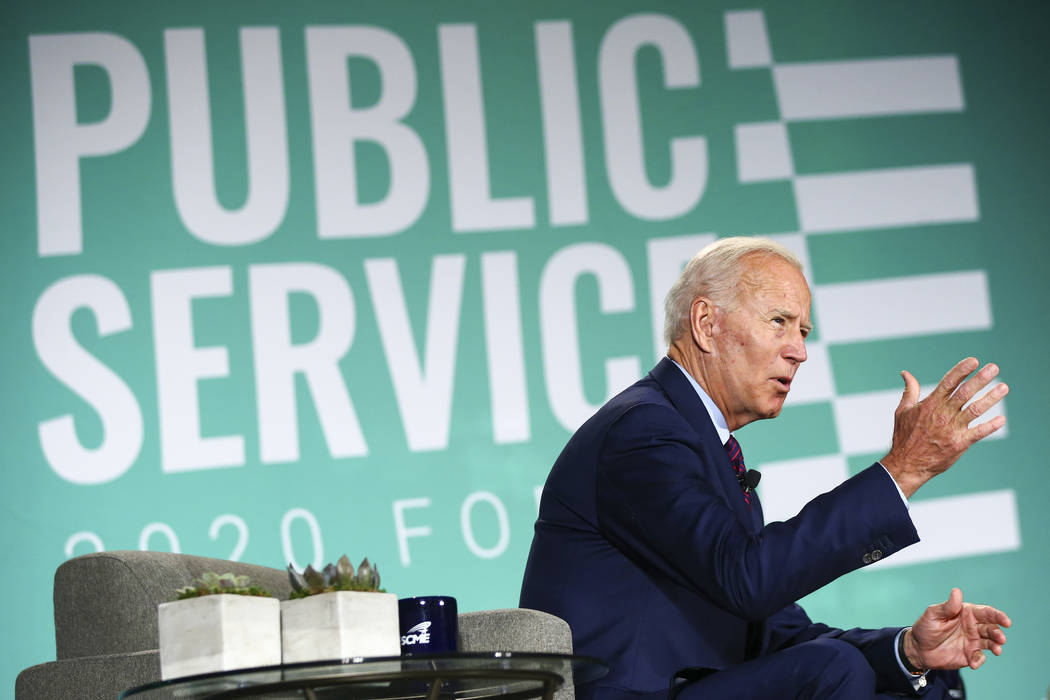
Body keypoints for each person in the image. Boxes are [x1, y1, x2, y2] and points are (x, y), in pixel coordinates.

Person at [519, 237, 1011, 700]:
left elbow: (777, 630)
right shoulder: (643, 432)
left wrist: (908, 651)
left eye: (802, 331)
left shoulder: (702, 444)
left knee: (925, 681)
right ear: (706, 323)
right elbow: (749, 580)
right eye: (778, 321)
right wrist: (904, 468)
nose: (797, 350)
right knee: (833, 668)